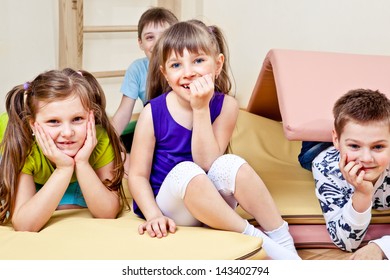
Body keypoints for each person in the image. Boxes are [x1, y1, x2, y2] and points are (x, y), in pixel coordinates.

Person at [127, 20, 300, 260]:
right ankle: (254, 238)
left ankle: (282, 240)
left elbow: (209, 162)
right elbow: (136, 176)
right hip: (172, 207)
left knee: (230, 163)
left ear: (218, 65)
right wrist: (154, 214)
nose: (189, 72)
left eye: (198, 61)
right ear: (165, 74)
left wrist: (201, 109)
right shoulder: (151, 113)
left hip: (212, 204)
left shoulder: (227, 105)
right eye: (177, 65)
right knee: (186, 170)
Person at [0, 68, 129, 232]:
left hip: (78, 177)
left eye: (77, 119)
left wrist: (82, 163)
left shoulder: (100, 138)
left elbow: (107, 212)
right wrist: (64, 169)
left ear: (91, 116)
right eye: (54, 121)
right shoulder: (22, 141)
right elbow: (25, 224)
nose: (68, 133)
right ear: (33, 124)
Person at [312, 89, 390, 260]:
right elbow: (347, 242)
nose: (366, 159)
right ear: (336, 140)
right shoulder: (325, 166)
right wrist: (362, 194)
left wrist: (381, 246)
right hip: (319, 151)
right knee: (309, 148)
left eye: (378, 147)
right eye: (355, 146)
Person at [111, 7, 178, 152]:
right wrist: (109, 141)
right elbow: (124, 112)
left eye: (164, 35)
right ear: (140, 42)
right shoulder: (137, 69)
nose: (157, 43)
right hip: (153, 132)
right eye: (149, 37)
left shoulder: (183, 66)